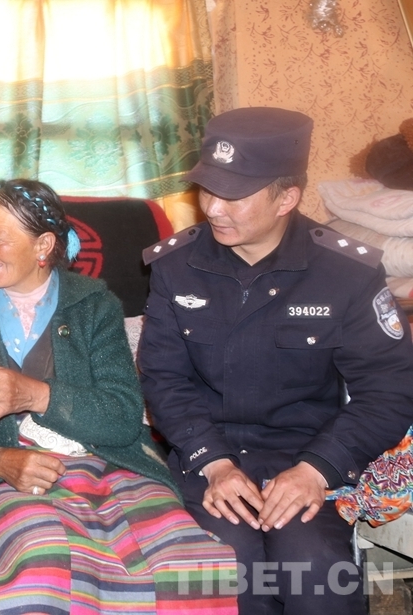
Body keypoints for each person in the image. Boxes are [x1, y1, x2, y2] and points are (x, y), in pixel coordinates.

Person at [137, 106, 413, 615]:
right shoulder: (175, 267)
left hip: (310, 457)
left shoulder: (346, 273)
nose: (212, 208)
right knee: (229, 572)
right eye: (207, 190)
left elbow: (390, 388)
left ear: (287, 197)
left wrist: (317, 468)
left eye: (233, 196)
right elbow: (164, 379)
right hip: (209, 458)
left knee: (317, 576)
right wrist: (214, 463)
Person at [0, 179, 238, 615]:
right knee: (47, 556)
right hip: (9, 473)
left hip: (112, 463)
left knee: (187, 564)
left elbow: (123, 417)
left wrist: (35, 395)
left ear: (43, 245)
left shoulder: (94, 306)